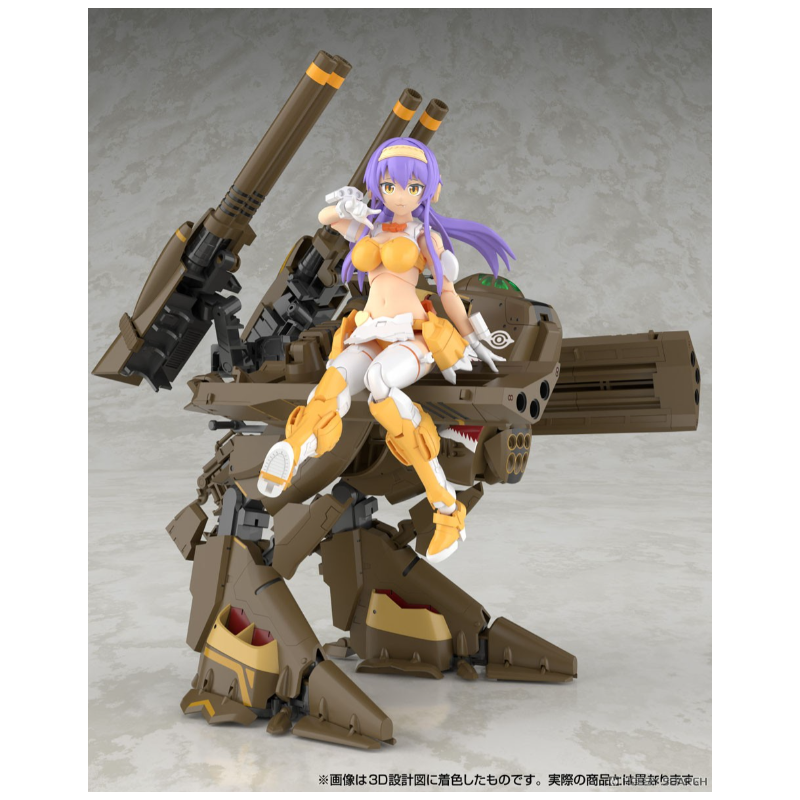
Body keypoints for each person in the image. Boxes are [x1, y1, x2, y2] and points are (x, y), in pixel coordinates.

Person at [257, 137, 514, 562]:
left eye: (412, 187)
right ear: (378, 186)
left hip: (412, 336)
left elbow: (448, 293)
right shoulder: (368, 228)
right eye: (390, 186)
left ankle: (447, 508)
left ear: (430, 191)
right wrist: (348, 205)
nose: (400, 195)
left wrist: (471, 335)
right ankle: (295, 450)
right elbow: (326, 219)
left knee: (381, 386)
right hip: (368, 332)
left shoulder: (425, 236)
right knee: (332, 384)